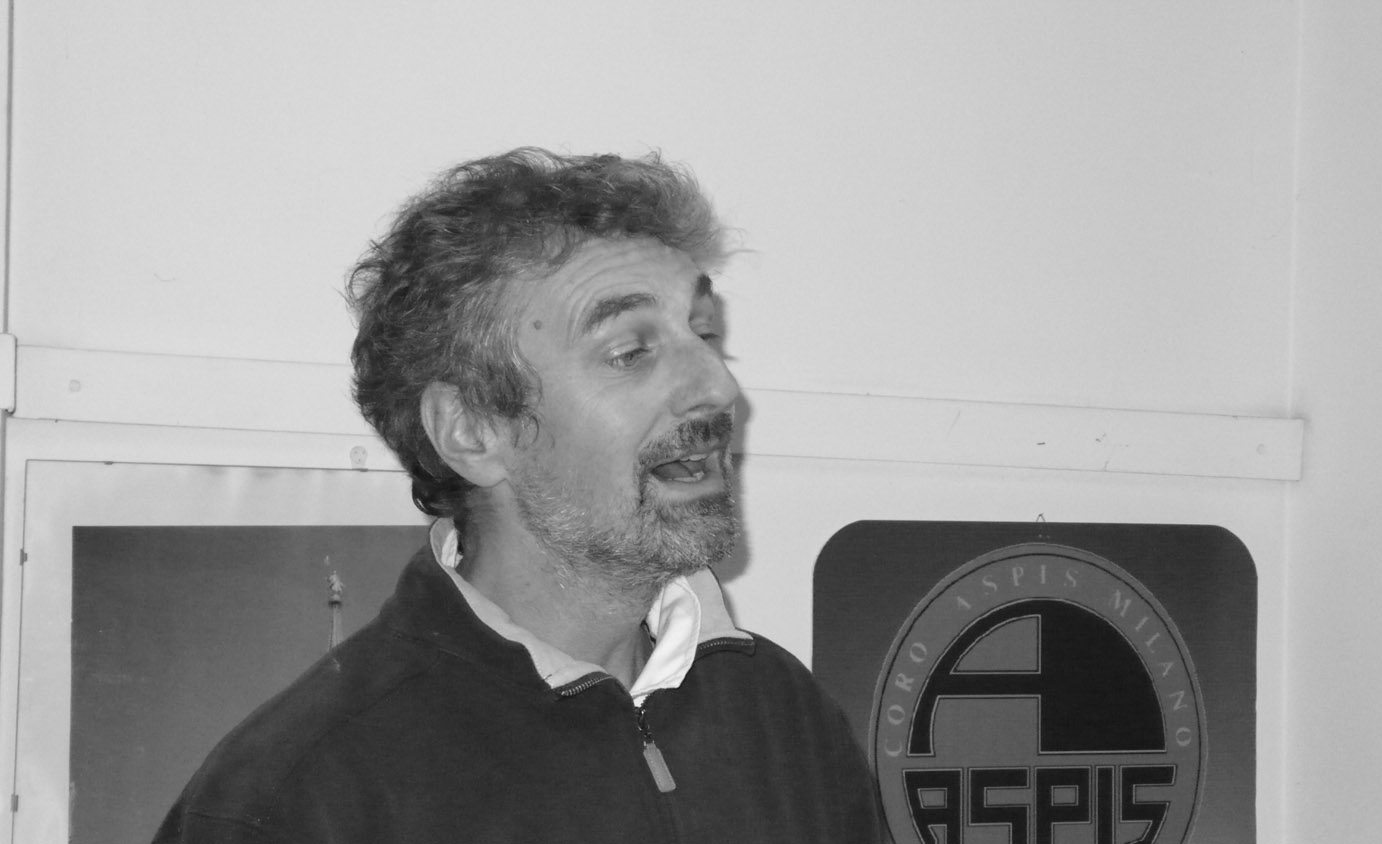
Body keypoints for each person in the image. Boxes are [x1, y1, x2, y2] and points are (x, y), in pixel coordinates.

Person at [152, 148, 882, 843]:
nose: (719, 388)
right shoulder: (300, 799)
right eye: (631, 352)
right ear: (472, 431)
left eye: (704, 333)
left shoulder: (780, 713)